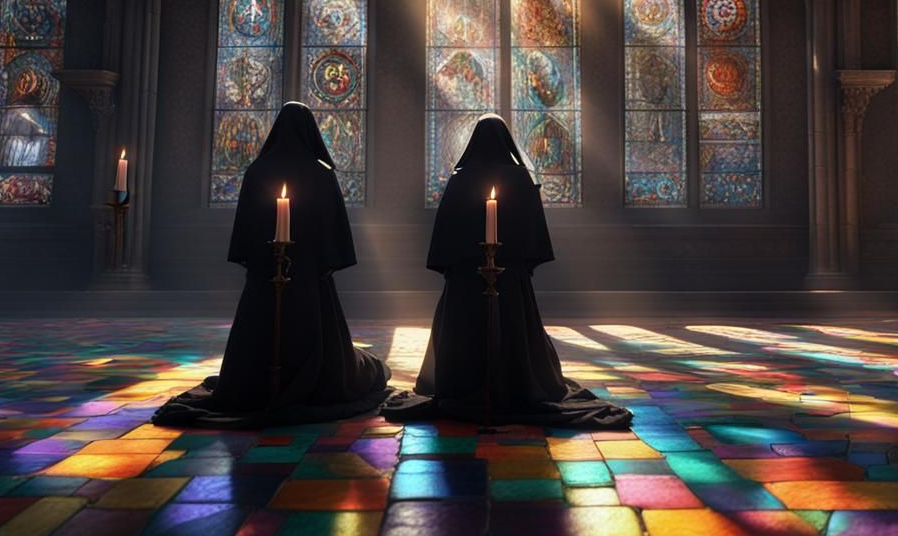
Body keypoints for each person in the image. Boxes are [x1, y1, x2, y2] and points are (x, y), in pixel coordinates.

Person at [382, 114, 631, 428]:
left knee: (465, 331)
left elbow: (445, 233)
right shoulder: (520, 178)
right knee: (513, 325)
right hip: (510, 278)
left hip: (464, 282)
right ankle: (517, 383)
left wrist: (459, 266)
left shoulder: (461, 179)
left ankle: (459, 384)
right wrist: (519, 266)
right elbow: (533, 235)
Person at [154, 102, 390, 428]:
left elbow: (246, 231)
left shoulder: (258, 171)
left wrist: (263, 263)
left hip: (264, 279)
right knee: (323, 346)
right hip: (309, 281)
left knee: (259, 334)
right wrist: (317, 266)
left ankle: (255, 382)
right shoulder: (321, 173)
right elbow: (333, 233)